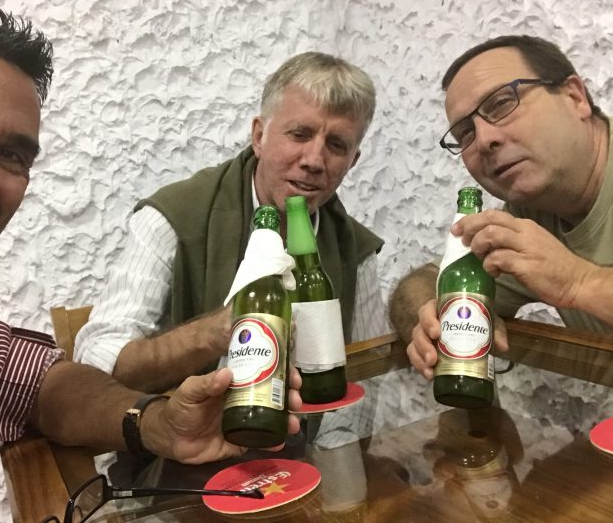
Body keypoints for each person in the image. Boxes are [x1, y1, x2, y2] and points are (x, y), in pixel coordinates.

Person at [0, 0, 302, 523]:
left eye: (12, 155)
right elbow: (103, 349)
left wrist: (159, 423)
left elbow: (38, 383)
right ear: (258, 135)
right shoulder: (172, 213)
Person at [75, 51, 388, 395]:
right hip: (184, 442)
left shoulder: (355, 249)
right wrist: (210, 334)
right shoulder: (174, 217)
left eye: (336, 145)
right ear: (259, 136)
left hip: (307, 445)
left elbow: (368, 372)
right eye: (299, 134)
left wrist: (333, 449)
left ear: (352, 161)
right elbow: (94, 361)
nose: (314, 160)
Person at [390, 34, 613, 382]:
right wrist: (427, 316)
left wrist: (578, 282)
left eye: (502, 104)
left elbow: (572, 279)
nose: (484, 139)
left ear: (575, 97)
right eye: (465, 132)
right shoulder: (527, 214)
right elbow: (420, 282)